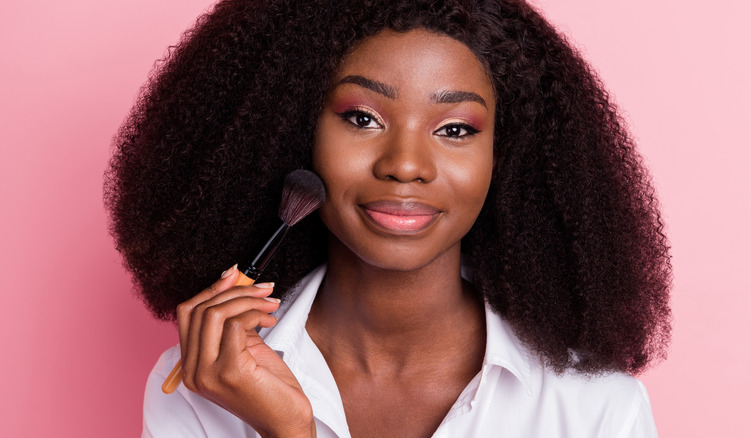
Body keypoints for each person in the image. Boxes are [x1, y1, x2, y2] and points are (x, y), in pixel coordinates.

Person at [105, 0, 672, 436]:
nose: (405, 165)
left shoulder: (593, 407)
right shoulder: (200, 383)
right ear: (292, 132)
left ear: (507, 157)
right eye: (362, 118)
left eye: (455, 129)